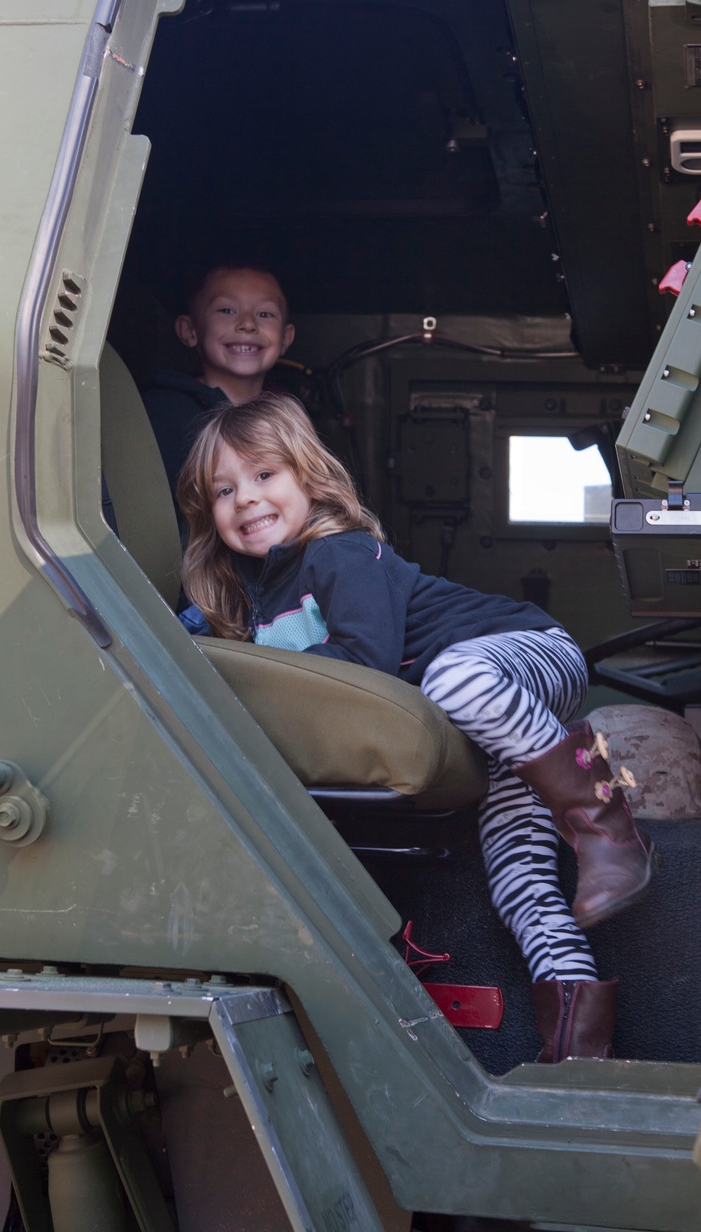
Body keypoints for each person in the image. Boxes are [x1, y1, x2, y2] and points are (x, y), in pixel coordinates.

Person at [177, 392, 656, 1061]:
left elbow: (364, 666)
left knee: (452, 677)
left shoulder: (339, 553)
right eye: (222, 491)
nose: (245, 499)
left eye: (264, 476)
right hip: (499, 735)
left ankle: (607, 827)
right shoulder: (254, 607)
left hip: (524, 653)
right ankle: (578, 1047)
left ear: (309, 478)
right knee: (520, 875)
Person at [141, 264, 295, 510]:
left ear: (286, 338)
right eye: (226, 310)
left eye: (264, 314)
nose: (247, 324)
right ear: (189, 331)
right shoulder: (169, 414)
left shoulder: (288, 416)